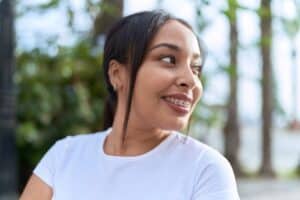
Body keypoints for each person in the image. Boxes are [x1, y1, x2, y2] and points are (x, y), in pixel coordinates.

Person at [20, 10, 240, 200]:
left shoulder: (206, 170)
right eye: (169, 60)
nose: (191, 81)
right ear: (117, 74)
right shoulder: (64, 156)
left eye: (196, 68)